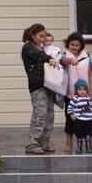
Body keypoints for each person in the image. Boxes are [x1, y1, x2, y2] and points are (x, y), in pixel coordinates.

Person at [21, 23, 58, 155]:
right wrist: (49, 59)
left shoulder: (41, 47)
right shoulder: (27, 47)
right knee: (40, 113)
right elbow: (39, 57)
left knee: (49, 114)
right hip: (37, 86)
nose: (43, 38)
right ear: (32, 35)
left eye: (44, 36)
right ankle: (33, 143)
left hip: (48, 84)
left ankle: (45, 142)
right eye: (40, 36)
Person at [59, 32, 90, 153]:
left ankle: (88, 143)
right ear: (68, 44)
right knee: (70, 118)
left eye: (77, 45)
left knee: (87, 119)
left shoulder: (87, 57)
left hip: (85, 95)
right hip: (70, 94)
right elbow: (61, 61)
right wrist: (68, 60)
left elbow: (91, 73)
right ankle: (68, 143)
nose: (75, 47)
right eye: (72, 44)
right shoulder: (64, 56)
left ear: (81, 46)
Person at [66, 79, 92, 154]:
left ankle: (88, 147)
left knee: (88, 134)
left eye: (84, 89)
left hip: (88, 120)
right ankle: (79, 147)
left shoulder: (89, 98)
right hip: (79, 120)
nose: (82, 91)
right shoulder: (75, 99)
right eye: (80, 89)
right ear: (76, 90)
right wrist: (71, 114)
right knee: (79, 134)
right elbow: (69, 108)